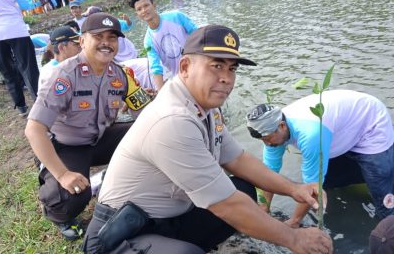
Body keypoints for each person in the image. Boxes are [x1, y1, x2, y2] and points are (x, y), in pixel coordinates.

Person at [82, 24, 333, 254]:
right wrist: (294, 238)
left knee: (242, 188)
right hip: (118, 235)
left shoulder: (205, 107)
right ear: (185, 67)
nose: (227, 78)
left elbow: (238, 159)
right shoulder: (172, 120)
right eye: (216, 66)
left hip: (166, 218)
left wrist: (294, 189)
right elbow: (225, 205)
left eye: (231, 68)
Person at [24, 12, 152, 241]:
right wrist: (63, 175)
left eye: (112, 38)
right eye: (98, 36)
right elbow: (33, 129)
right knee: (72, 195)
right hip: (67, 146)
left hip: (100, 138)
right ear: (82, 41)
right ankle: (56, 210)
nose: (106, 43)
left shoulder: (121, 75)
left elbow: (146, 113)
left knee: (150, 135)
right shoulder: (64, 76)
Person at [246, 90, 394, 227]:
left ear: (282, 126)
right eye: (262, 140)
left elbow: (312, 187)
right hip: (340, 129)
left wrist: (294, 221)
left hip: (371, 123)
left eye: (267, 138)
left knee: (383, 198)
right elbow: (268, 175)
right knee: (330, 182)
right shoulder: (272, 132)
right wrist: (264, 208)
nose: (267, 144)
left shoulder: (310, 134)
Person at [129, 0, 197, 91]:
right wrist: (161, 95)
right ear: (137, 14)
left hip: (198, 67)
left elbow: (198, 34)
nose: (143, 10)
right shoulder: (148, 41)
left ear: (154, 5)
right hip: (181, 79)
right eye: (139, 9)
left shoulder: (176, 16)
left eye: (146, 5)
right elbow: (156, 68)